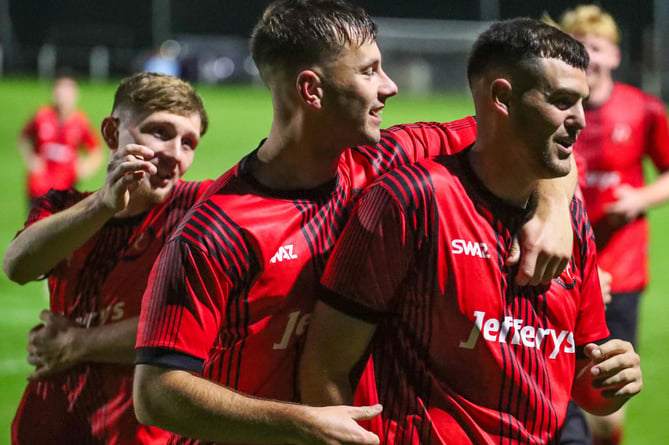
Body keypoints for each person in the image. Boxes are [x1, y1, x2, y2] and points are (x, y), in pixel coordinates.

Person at [133, 2, 579, 444]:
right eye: (369, 72)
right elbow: (155, 394)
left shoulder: (387, 159)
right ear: (312, 89)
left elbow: (530, 134)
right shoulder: (214, 233)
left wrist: (554, 211)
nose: (390, 87)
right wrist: (298, 423)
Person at [299, 17, 643, 445]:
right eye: (561, 101)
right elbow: (324, 368)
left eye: (581, 103)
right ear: (503, 98)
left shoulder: (569, 219)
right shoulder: (413, 197)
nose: (580, 121)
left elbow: (586, 383)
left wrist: (612, 377)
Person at [3, 72, 212, 445]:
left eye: (189, 143)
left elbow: (184, 327)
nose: (175, 154)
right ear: (113, 133)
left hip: (143, 432)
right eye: (160, 133)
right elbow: (18, 266)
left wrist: (78, 342)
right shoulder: (63, 206)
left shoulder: (196, 211)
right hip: (49, 423)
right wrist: (103, 204)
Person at [558, 5, 669, 444]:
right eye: (579, 46)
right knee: (549, 380)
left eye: (597, 47)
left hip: (619, 274)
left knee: (604, 396)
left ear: (616, 56)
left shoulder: (643, 109)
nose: (589, 55)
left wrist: (640, 198)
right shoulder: (553, 110)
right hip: (558, 271)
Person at [17, 71, 104, 206]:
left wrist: (85, 167)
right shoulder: (41, 116)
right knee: (37, 225)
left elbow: (96, 150)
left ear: (75, 95)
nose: (63, 97)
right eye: (60, 92)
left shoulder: (80, 122)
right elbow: (23, 138)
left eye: (67, 93)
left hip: (66, 187)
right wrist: (31, 159)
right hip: (39, 186)